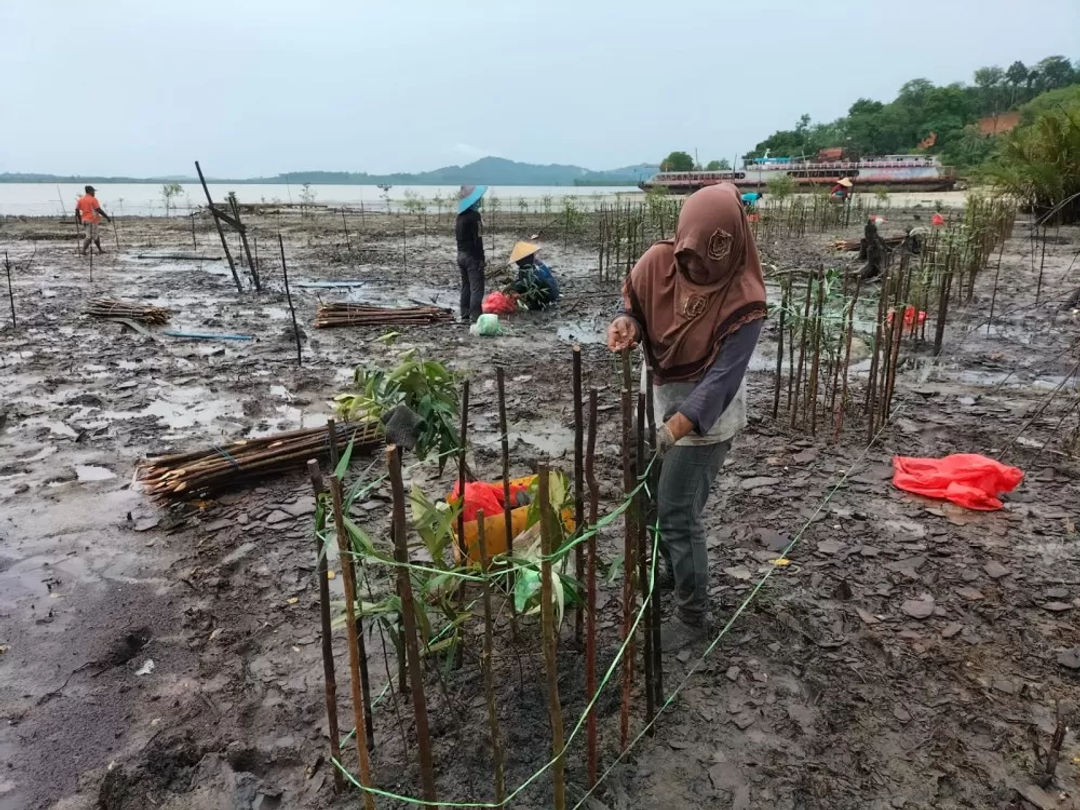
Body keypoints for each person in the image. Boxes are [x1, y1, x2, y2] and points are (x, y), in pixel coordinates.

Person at [607, 183, 767, 651]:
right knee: (655, 505)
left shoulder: (744, 298)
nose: (694, 266)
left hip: (707, 418)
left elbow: (722, 380)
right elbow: (633, 309)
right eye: (688, 254)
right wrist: (627, 326)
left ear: (730, 245)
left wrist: (676, 428)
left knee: (678, 510)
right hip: (659, 399)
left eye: (706, 258)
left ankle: (693, 616)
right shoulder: (658, 262)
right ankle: (671, 581)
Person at [455, 185, 487, 323]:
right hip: (472, 257)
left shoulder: (459, 216)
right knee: (477, 288)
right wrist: (481, 259)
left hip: (461, 255)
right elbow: (478, 239)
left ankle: (464, 314)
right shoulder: (475, 216)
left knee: (466, 285)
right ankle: (476, 317)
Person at [507, 241, 560, 310]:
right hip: (554, 291)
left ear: (519, 262)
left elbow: (525, 283)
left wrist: (512, 288)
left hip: (546, 297)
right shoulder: (538, 264)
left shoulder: (526, 270)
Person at [75, 185, 112, 255]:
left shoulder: (81, 199)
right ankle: (83, 251)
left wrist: (79, 220)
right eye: (93, 191)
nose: (94, 193)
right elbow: (98, 209)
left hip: (84, 220)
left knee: (96, 236)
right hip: (92, 220)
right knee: (89, 236)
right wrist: (107, 217)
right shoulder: (93, 199)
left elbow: (77, 210)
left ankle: (100, 250)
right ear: (90, 191)